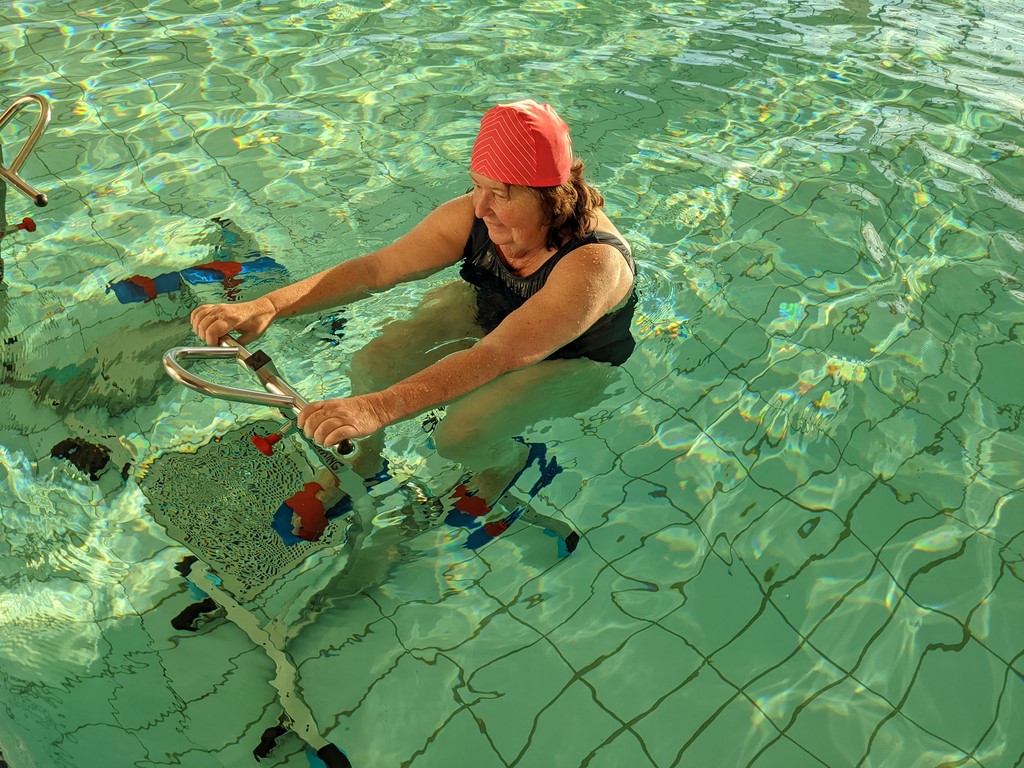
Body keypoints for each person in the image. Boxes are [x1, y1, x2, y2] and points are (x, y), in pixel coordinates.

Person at [191, 99, 636, 510]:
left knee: (459, 435)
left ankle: (506, 460)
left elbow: (500, 354)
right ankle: (367, 457)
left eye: (500, 194)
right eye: (476, 186)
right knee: (374, 364)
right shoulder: (472, 214)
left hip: (571, 359)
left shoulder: (593, 264)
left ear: (551, 196)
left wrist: (375, 408)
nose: (481, 208)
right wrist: (269, 305)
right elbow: (377, 270)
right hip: (491, 311)